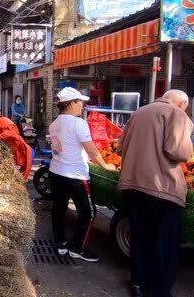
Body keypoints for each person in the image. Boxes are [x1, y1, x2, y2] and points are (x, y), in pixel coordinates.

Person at [118, 90, 194, 297]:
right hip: (162, 187)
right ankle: (158, 290)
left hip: (133, 184)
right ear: (182, 104)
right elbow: (180, 152)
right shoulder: (176, 114)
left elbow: (120, 147)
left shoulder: (139, 112)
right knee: (165, 241)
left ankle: (138, 283)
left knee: (140, 236)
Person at [48, 87, 117, 262]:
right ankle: (78, 248)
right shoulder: (78, 123)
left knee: (59, 209)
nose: (82, 106)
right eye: (80, 102)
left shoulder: (54, 123)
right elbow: (91, 150)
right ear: (71, 104)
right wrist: (104, 165)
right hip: (75, 176)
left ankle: (60, 242)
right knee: (88, 213)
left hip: (56, 172)